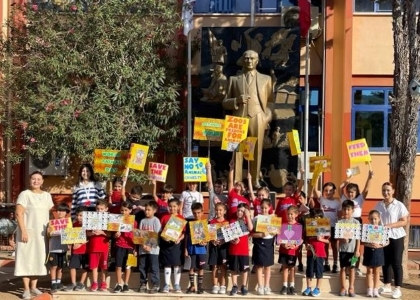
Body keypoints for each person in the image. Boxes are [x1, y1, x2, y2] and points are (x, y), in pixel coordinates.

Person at [223, 50, 273, 187]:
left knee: (256, 148)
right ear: (242, 60)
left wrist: (266, 117)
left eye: (252, 59)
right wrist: (236, 100)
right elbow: (225, 102)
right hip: (238, 118)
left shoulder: (266, 79)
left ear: (257, 61)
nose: (249, 61)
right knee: (237, 150)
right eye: (246, 58)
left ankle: (255, 179)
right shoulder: (234, 80)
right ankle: (237, 181)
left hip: (257, 116)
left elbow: (271, 102)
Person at [14, 171, 54, 300]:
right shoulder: (24, 195)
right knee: (26, 259)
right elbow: (18, 214)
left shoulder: (47, 196)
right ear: (29, 180)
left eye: (38, 179)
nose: (36, 181)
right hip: (27, 232)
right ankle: (26, 289)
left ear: (42, 181)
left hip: (41, 234)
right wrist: (24, 231)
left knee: (38, 259)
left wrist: (51, 228)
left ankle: (34, 286)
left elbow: (51, 214)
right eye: (33, 179)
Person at [375, 182, 409, 299]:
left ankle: (398, 288)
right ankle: (387, 285)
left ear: (393, 191)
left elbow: (404, 221)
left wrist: (389, 225)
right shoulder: (378, 205)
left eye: (388, 190)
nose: (386, 192)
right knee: (385, 262)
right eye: (384, 190)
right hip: (383, 237)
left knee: (396, 262)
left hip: (396, 237)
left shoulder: (399, 205)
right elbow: (375, 220)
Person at [339, 170, 374, 275]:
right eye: (349, 192)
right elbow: (340, 188)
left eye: (352, 192)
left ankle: (355, 266)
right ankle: (344, 266)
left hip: (357, 222)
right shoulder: (344, 199)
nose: (350, 194)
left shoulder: (360, 198)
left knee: (356, 246)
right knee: (345, 245)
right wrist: (348, 179)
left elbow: (366, 189)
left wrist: (370, 177)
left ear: (356, 192)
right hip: (346, 223)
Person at [313, 180, 341, 273]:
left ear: (334, 191)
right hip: (322, 225)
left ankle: (335, 264)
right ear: (323, 191)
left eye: (330, 190)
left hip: (333, 225)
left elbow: (340, 216)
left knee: (334, 246)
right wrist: (316, 176)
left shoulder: (337, 203)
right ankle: (326, 263)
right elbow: (315, 190)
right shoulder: (322, 199)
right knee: (324, 245)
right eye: (326, 190)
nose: (328, 192)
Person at [302, 209, 330, 297]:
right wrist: (306, 245)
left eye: (318, 217)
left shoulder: (325, 226)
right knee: (309, 271)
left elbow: (328, 241)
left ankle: (317, 288)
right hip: (311, 252)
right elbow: (306, 239)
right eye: (314, 217)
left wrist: (321, 239)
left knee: (319, 271)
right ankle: (308, 287)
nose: (316, 219)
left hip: (320, 253)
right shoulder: (309, 227)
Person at [159, 198, 185, 293]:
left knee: (177, 264)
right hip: (166, 244)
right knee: (167, 264)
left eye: (174, 206)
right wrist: (164, 237)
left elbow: (184, 233)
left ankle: (177, 284)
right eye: (170, 206)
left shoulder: (181, 218)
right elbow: (160, 231)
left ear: (178, 207)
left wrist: (179, 239)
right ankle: (166, 284)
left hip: (177, 245)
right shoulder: (164, 217)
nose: (172, 208)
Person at [228, 203, 253, 296]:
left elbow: (251, 228)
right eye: (238, 210)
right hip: (234, 249)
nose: (239, 212)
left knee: (244, 269)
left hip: (244, 250)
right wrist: (232, 240)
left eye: (242, 211)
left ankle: (243, 286)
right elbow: (229, 236)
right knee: (233, 268)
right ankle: (234, 285)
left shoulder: (246, 221)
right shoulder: (232, 221)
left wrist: (248, 216)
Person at [251, 198, 275, 295]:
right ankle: (260, 286)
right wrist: (261, 234)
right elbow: (252, 234)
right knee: (259, 266)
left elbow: (277, 232)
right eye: (262, 208)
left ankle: (267, 286)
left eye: (265, 208)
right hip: (259, 243)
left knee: (268, 266)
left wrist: (275, 231)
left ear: (269, 207)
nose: (264, 210)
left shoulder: (273, 218)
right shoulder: (256, 218)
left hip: (269, 243)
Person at [337, 200, 360, 297]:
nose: (346, 211)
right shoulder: (340, 222)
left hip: (353, 251)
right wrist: (342, 239)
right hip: (343, 250)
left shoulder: (356, 222)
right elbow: (337, 237)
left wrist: (357, 250)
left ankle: (351, 287)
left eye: (348, 209)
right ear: (342, 210)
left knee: (352, 269)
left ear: (352, 210)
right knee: (342, 268)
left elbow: (358, 238)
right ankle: (343, 287)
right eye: (344, 209)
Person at [113, 202, 137, 293]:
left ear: (130, 210)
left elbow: (136, 236)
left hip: (130, 247)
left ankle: (126, 284)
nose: (123, 212)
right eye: (122, 210)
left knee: (128, 266)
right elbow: (114, 235)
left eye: (126, 210)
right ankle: (118, 284)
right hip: (119, 245)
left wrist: (135, 249)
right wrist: (116, 234)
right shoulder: (117, 221)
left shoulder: (134, 222)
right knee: (118, 266)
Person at [87, 200, 111, 292]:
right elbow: (86, 233)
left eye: (101, 209)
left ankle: (103, 282)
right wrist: (91, 233)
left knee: (104, 266)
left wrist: (102, 232)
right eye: (97, 209)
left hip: (104, 246)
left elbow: (110, 234)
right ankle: (95, 282)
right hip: (93, 246)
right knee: (94, 265)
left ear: (106, 209)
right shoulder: (90, 218)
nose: (99, 210)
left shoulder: (109, 219)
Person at [138, 201, 161, 294]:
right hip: (143, 249)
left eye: (149, 210)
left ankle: (155, 285)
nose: (147, 212)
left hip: (153, 250)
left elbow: (157, 234)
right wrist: (143, 245)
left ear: (154, 210)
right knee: (142, 267)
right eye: (145, 210)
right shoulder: (142, 221)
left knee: (154, 267)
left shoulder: (156, 220)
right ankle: (143, 283)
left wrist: (150, 246)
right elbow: (139, 234)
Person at [184, 202, 207, 294]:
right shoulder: (189, 224)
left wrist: (205, 242)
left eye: (198, 212)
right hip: (191, 249)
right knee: (191, 267)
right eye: (194, 213)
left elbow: (208, 237)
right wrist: (185, 249)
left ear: (202, 212)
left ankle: (200, 287)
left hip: (202, 250)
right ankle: (192, 286)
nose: (196, 215)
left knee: (201, 268)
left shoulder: (205, 223)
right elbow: (186, 237)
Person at [363, 210, 387, 297]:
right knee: (369, 270)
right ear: (368, 219)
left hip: (379, 251)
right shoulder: (366, 229)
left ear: (379, 219)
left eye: (375, 219)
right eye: (372, 219)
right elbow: (362, 241)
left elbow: (387, 241)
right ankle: (369, 289)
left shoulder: (382, 229)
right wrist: (368, 243)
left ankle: (376, 289)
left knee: (377, 271)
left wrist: (380, 245)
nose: (373, 221)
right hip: (368, 250)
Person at [47, 203, 70, 293]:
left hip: (63, 248)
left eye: (63, 211)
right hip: (53, 248)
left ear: (66, 212)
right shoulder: (52, 222)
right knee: (53, 266)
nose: (60, 212)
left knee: (61, 266)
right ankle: (53, 283)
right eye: (59, 210)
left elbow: (70, 234)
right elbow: (49, 234)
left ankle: (58, 282)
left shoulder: (68, 223)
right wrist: (51, 232)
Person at [279, 205, 302, 295]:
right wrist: (283, 244)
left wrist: (295, 245)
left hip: (293, 251)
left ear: (296, 214)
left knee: (292, 268)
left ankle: (292, 286)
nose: (289, 216)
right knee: (285, 267)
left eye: (291, 214)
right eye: (288, 214)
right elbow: (279, 238)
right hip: (284, 250)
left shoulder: (298, 226)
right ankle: (284, 286)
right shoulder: (283, 225)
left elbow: (300, 239)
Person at [66, 206, 88, 291]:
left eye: (81, 215)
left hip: (86, 250)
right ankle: (73, 283)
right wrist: (69, 244)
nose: (79, 217)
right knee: (72, 266)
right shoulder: (74, 225)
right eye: (78, 215)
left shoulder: (89, 225)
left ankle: (81, 283)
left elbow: (90, 238)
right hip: (75, 251)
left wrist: (81, 244)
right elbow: (71, 237)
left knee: (85, 267)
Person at [208, 202, 229, 294]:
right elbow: (209, 235)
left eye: (220, 210)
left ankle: (223, 286)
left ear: (224, 211)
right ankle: (215, 285)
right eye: (217, 210)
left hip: (224, 247)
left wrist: (223, 241)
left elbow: (229, 236)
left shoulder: (227, 223)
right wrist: (213, 240)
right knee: (214, 266)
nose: (218, 212)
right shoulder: (212, 222)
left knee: (223, 266)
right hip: (214, 247)